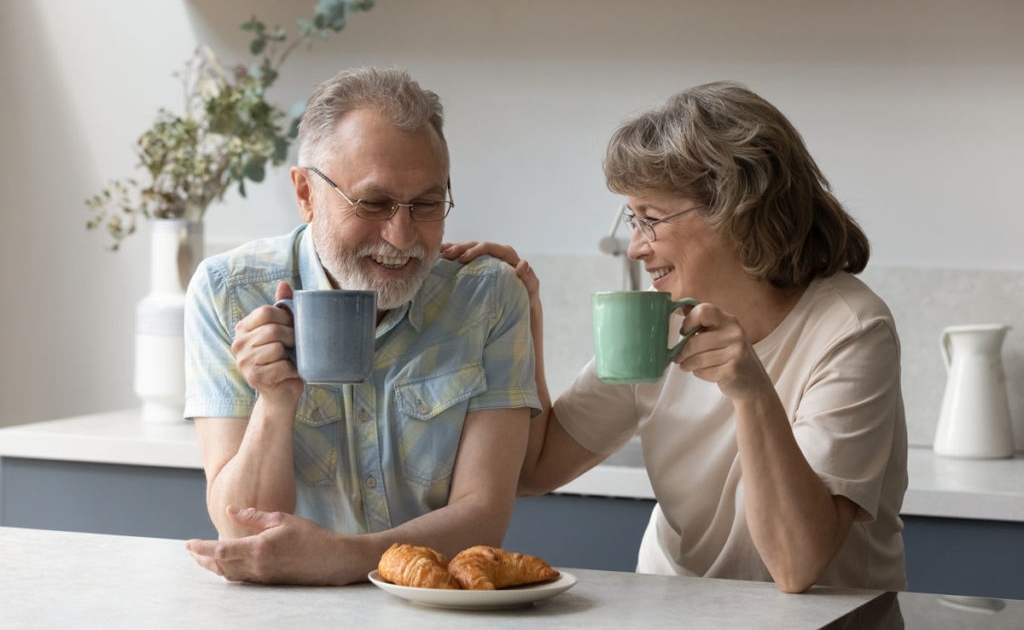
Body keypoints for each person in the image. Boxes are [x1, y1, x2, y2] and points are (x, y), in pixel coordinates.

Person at [443, 81, 908, 594]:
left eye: (651, 220)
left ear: (738, 212)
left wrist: (752, 391)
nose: (635, 248)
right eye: (631, 220)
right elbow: (532, 470)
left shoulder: (850, 330)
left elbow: (796, 565)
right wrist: (522, 314)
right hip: (675, 609)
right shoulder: (660, 322)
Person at [182, 67, 540, 585]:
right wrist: (275, 401)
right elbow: (243, 533)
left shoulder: (486, 295)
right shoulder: (228, 291)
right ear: (305, 192)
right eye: (373, 204)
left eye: (426, 204)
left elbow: (485, 515)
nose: (401, 236)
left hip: (434, 612)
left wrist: (346, 558)